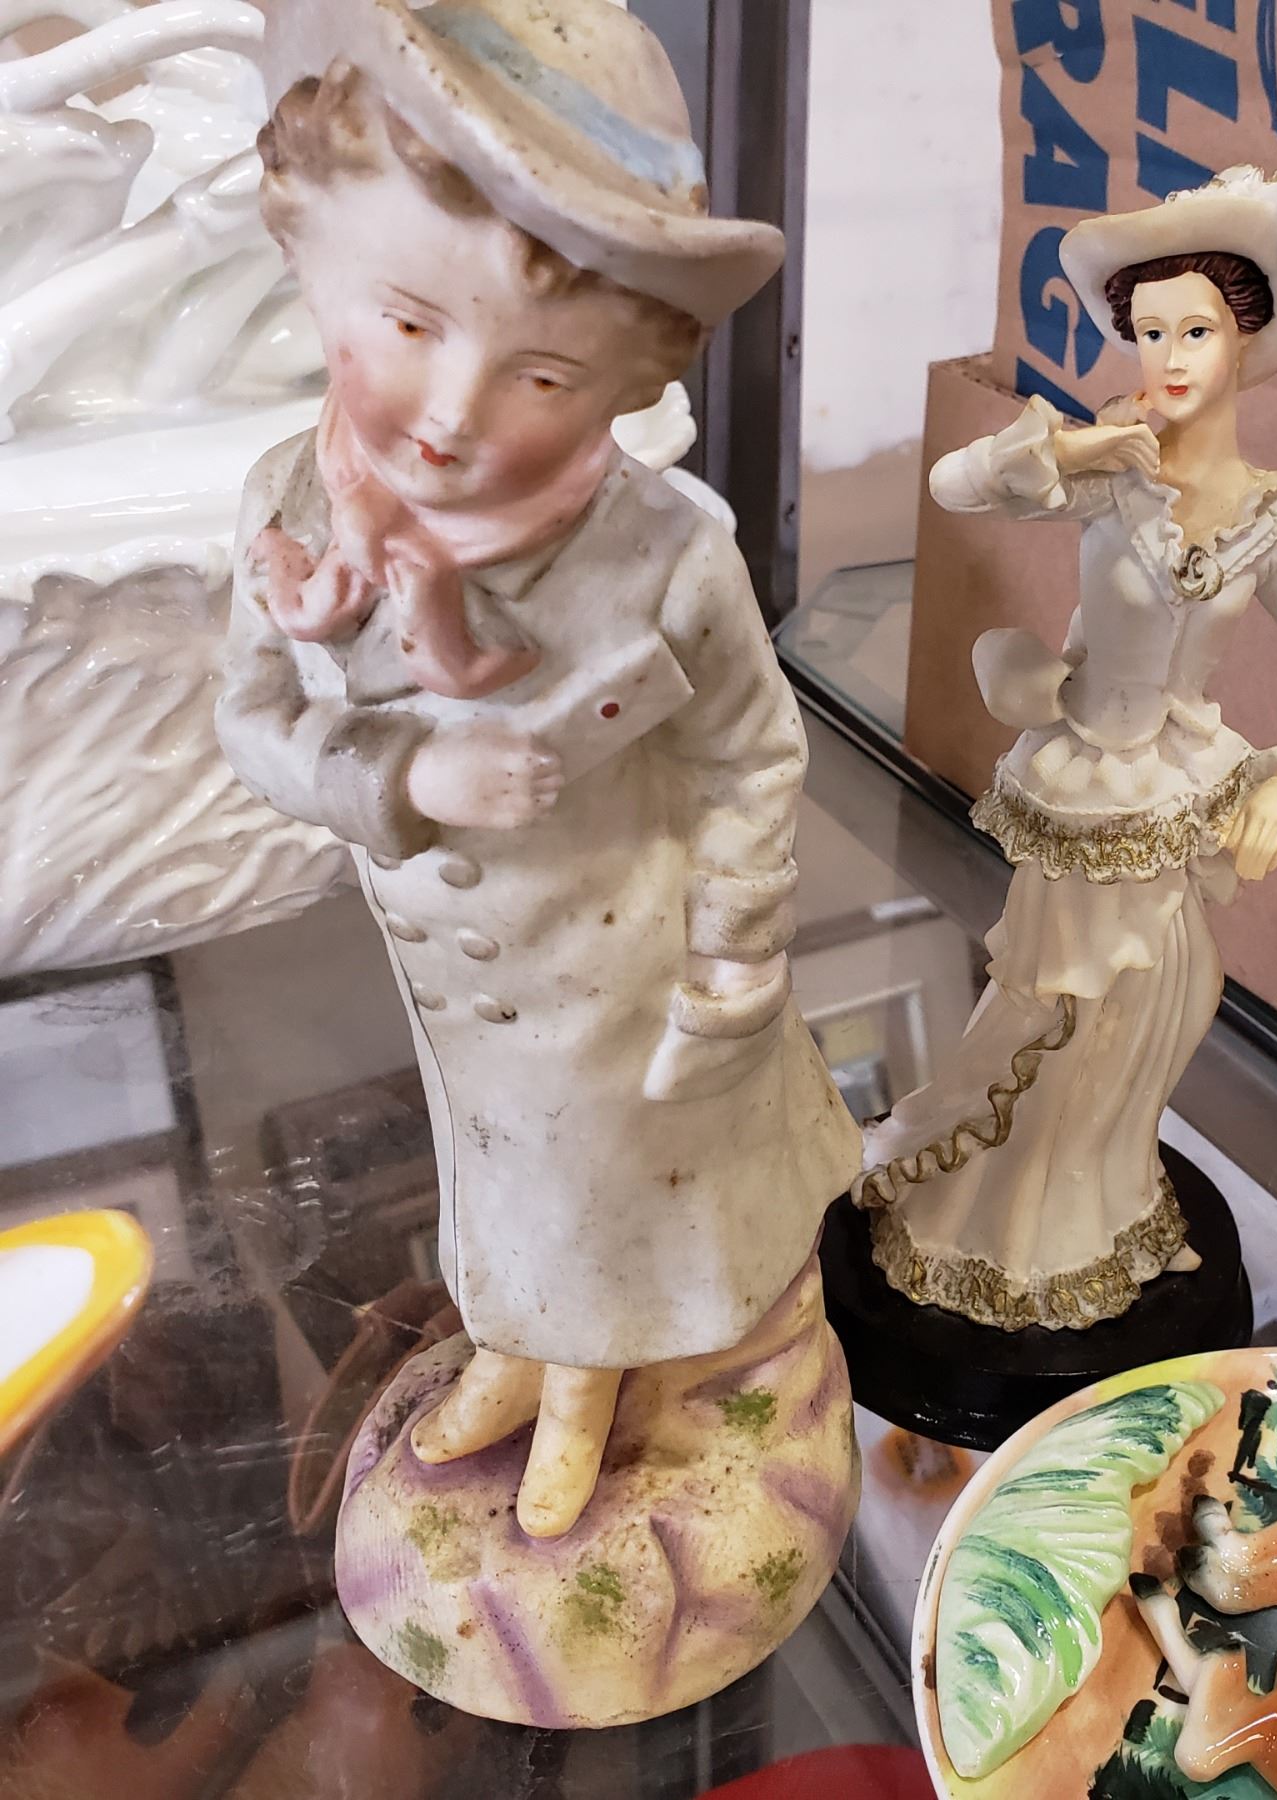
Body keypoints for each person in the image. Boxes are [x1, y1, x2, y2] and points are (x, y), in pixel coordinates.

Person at [217, 1, 860, 1539]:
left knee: (606, 1183)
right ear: (311, 260)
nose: (450, 416)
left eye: (546, 376)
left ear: (629, 377)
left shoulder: (666, 558)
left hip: (616, 967)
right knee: (500, 1171)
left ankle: (587, 1383)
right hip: (452, 988)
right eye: (408, 323)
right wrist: (401, 786)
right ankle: (518, 1343)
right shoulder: (294, 509)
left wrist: (733, 962)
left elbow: (753, 755)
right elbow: (251, 716)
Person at [859, 166, 1277, 1333]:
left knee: (1167, 1007)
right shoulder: (1108, 474)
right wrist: (1081, 448)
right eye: (1148, 332)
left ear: (1244, 338)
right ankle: (1002, 1230)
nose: (1169, 357)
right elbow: (954, 484)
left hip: (1177, 789)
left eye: (1195, 330)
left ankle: (1105, 1212)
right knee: (1056, 1010)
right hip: (1087, 779)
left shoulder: (1270, 522)